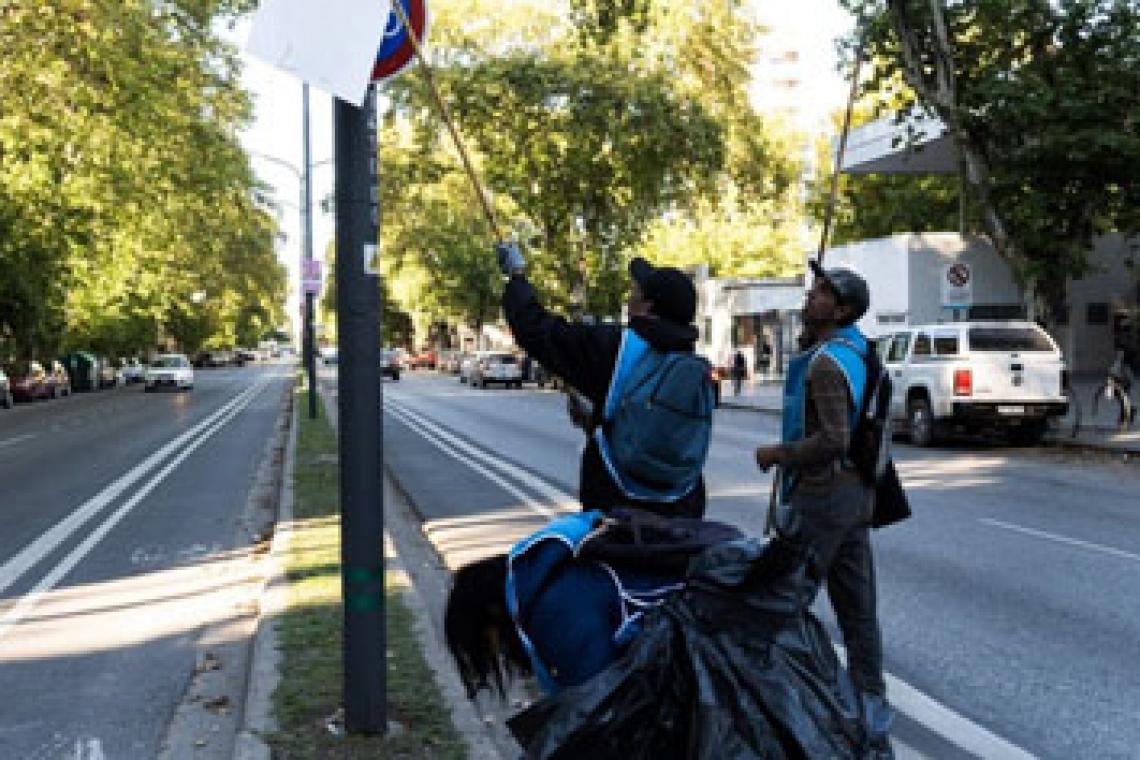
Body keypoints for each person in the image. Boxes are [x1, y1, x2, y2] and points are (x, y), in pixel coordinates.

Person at [443, 510, 866, 757]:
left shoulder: (556, 610)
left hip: (716, 667)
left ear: (492, 615)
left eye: (486, 645)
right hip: (736, 648)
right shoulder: (550, 566)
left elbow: (602, 718)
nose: (497, 657)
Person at [753, 260, 894, 758]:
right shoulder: (856, 351)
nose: (809, 299)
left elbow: (833, 439)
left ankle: (775, 712)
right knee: (859, 615)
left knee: (780, 607)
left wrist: (778, 455)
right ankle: (872, 719)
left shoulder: (827, 365)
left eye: (820, 294)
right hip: (855, 497)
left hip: (824, 496)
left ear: (844, 309)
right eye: (812, 291)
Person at [495, 242, 708, 518]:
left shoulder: (616, 347)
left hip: (619, 508)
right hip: (683, 509)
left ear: (647, 307)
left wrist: (517, 276)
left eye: (635, 292)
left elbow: (537, 330)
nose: (629, 299)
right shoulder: (691, 363)